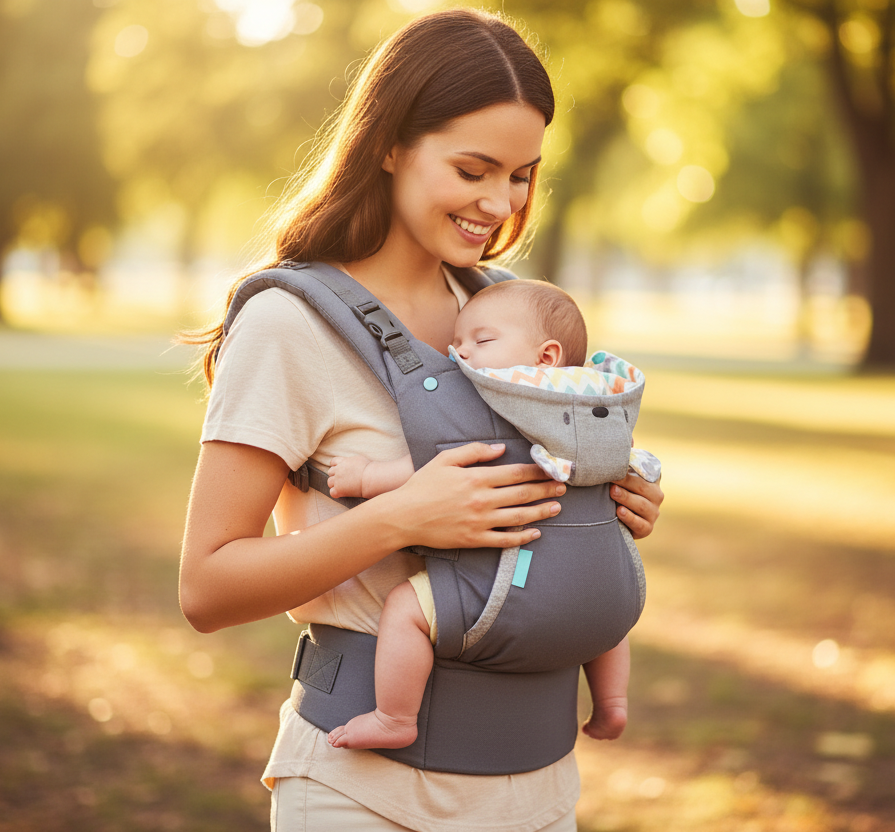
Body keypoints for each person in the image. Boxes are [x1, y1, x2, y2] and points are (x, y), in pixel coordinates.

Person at [178, 9, 664, 831]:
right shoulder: (292, 324)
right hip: (362, 793)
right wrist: (402, 517)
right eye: (474, 169)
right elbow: (206, 587)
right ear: (392, 144)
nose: (499, 203)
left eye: (520, 175)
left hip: (541, 792)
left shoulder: (505, 318)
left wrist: (614, 507)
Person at [325, 279, 660, 753]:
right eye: (456, 345)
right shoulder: (605, 405)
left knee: (406, 609)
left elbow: (433, 466)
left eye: (481, 342)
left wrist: (365, 478)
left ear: (545, 357)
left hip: (508, 592)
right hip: (609, 593)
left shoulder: (498, 401)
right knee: (605, 614)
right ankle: (612, 701)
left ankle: (394, 716)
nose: (462, 355)